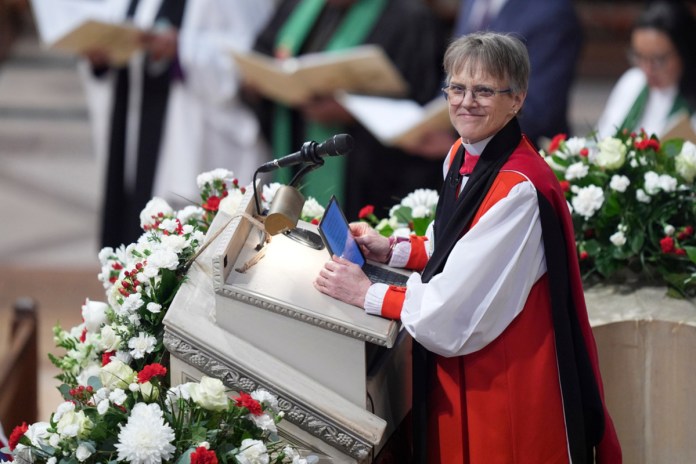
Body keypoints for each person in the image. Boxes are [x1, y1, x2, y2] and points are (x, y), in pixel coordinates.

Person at [314, 32, 622, 463]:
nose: (466, 102)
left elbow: (450, 312)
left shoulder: (517, 188)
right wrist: (394, 251)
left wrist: (365, 293)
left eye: (483, 91)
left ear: (517, 99)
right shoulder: (465, 152)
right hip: (471, 363)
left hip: (502, 377)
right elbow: (457, 242)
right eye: (457, 89)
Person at [80, 0, 274, 248]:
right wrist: (101, 54)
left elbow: (252, 55)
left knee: (185, 252)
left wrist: (183, 48)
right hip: (134, 127)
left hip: (199, 140)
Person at [248, 0, 446, 220]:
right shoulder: (299, 5)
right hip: (296, 136)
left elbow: (421, 102)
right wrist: (263, 82)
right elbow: (263, 51)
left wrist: (352, 110)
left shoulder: (410, 17)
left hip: (363, 170)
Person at [453, 0, 583, 147]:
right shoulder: (473, 3)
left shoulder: (550, 11)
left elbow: (539, 110)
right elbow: (455, 71)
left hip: (524, 151)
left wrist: (458, 140)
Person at [596, 0, 696, 139]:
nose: (647, 69)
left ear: (684, 51)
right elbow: (601, 138)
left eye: (658, 60)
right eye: (639, 57)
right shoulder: (633, 81)